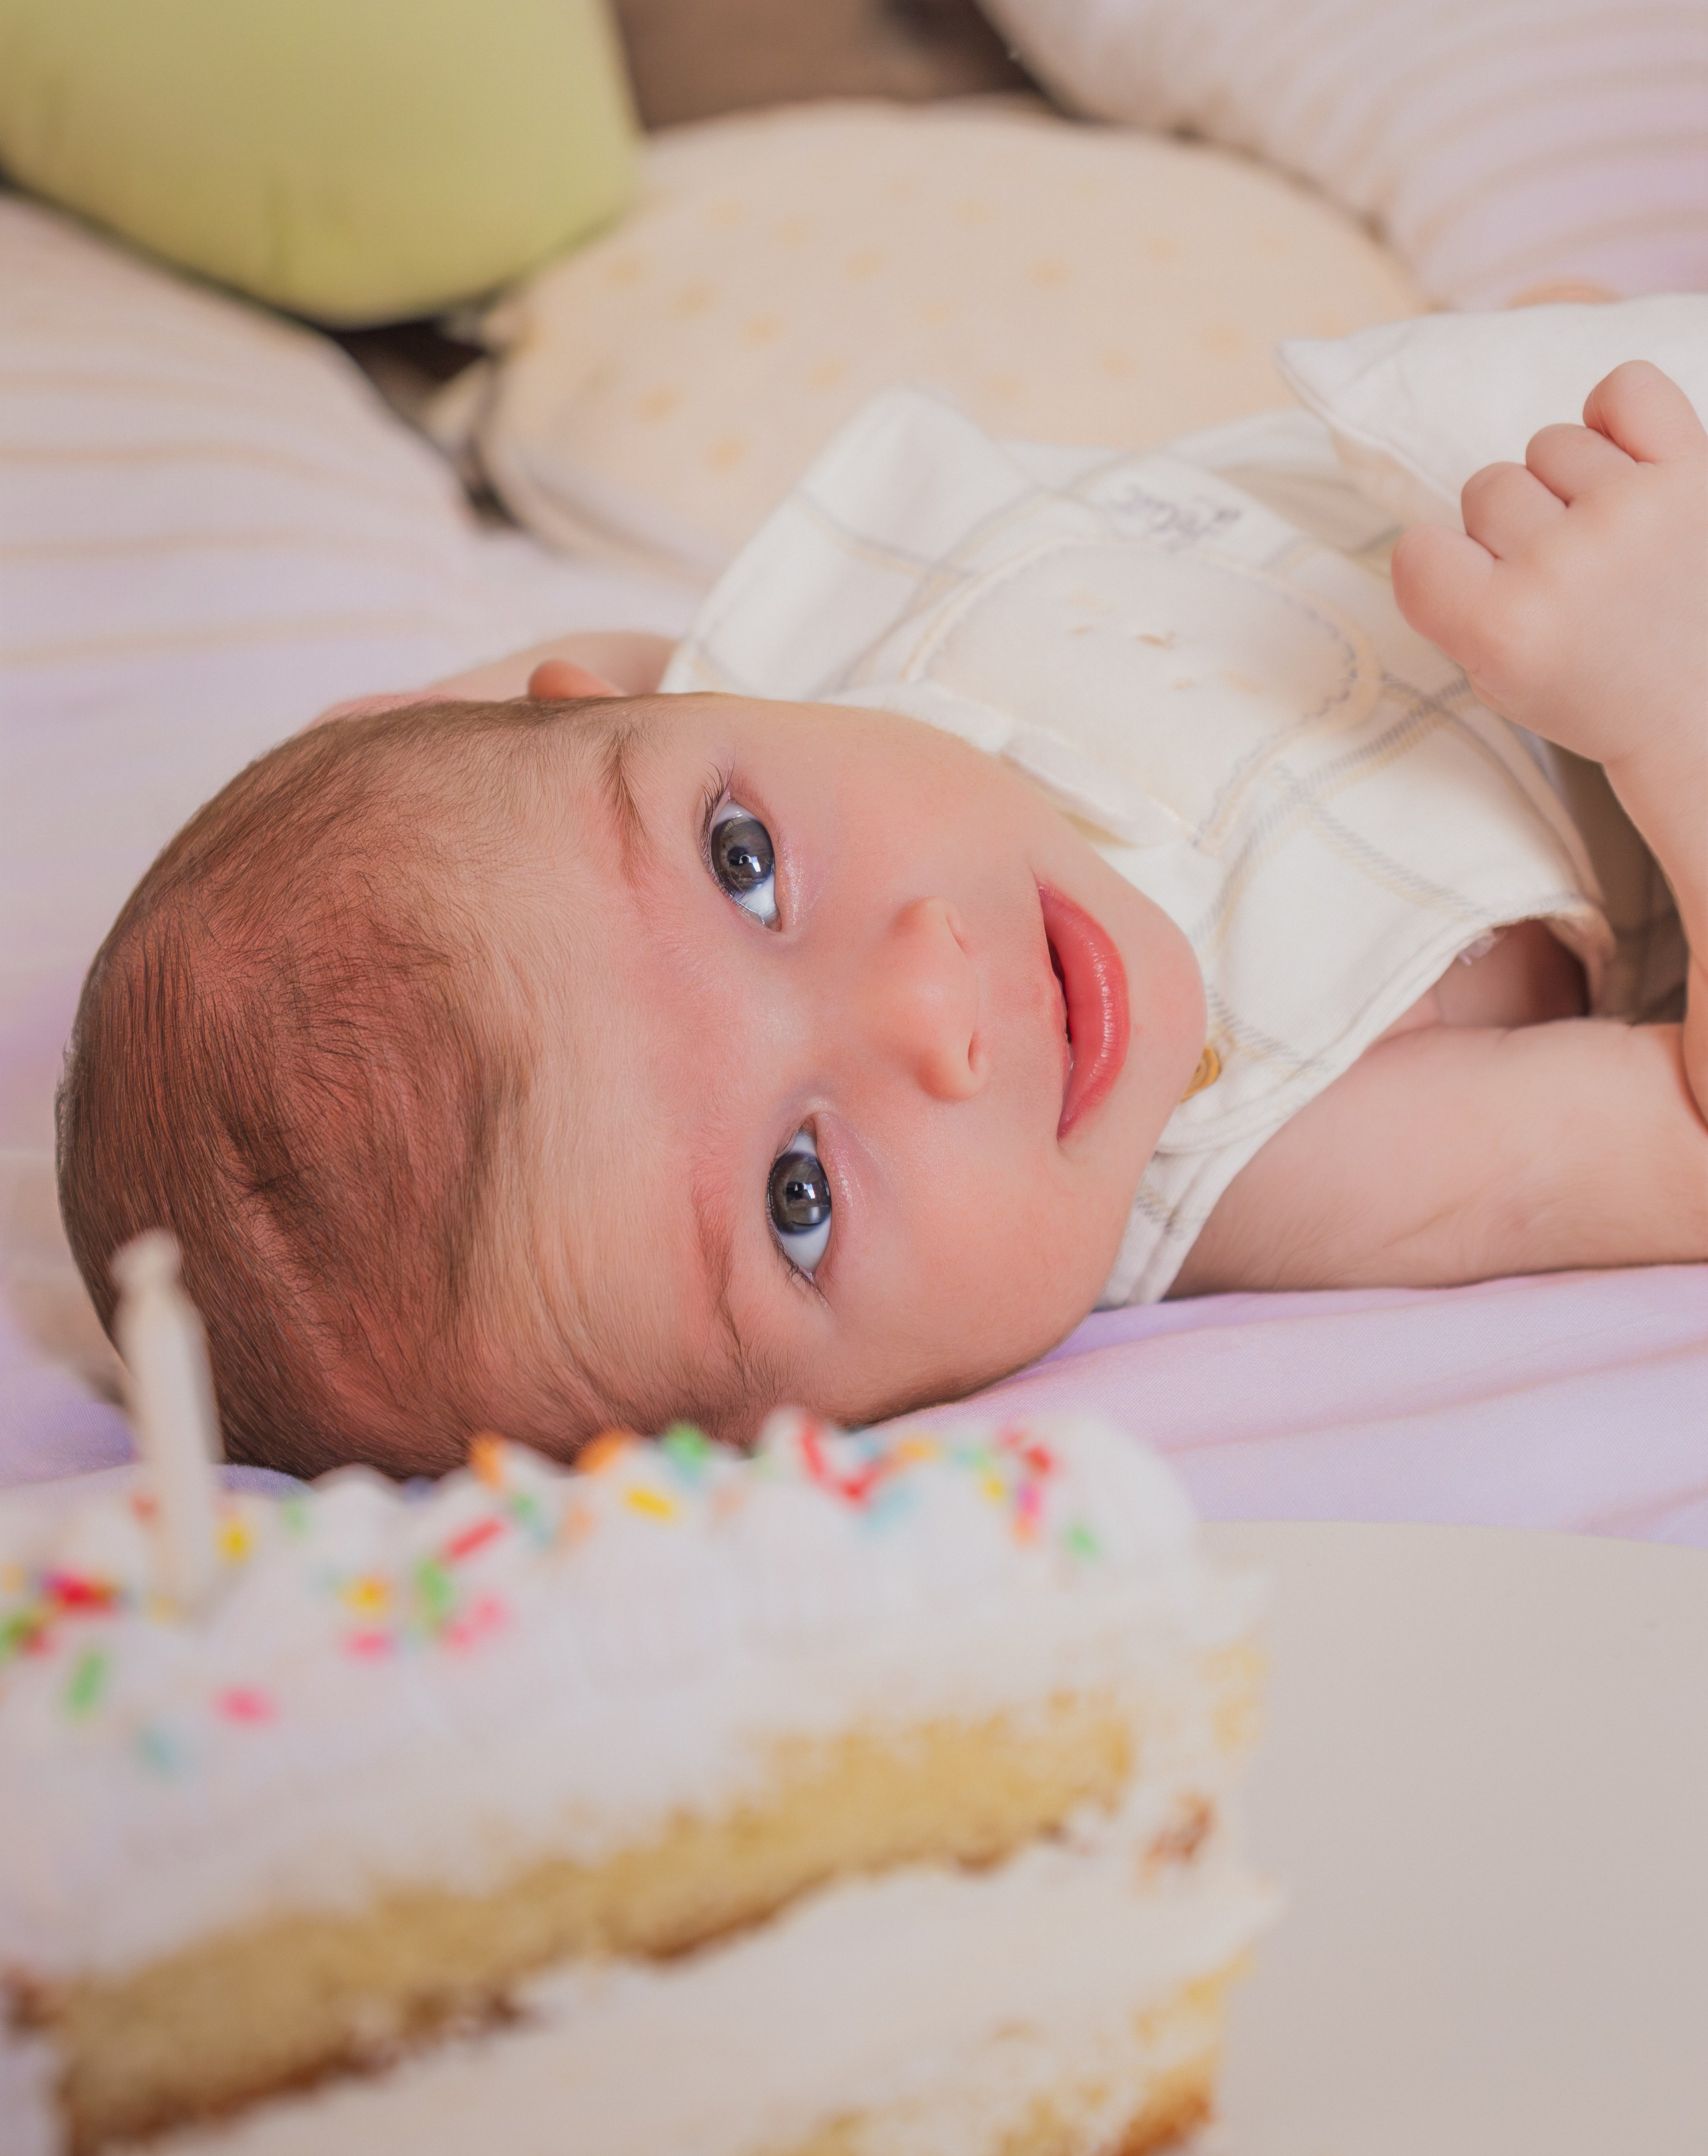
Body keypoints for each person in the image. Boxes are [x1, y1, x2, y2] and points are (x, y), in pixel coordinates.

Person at [55, 364, 1707, 1478]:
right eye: (799, 1196)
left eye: (744, 868)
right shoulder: (1259, 1142)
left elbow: (524, 749)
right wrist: (1666, 699)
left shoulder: (777, 680)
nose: (930, 998)